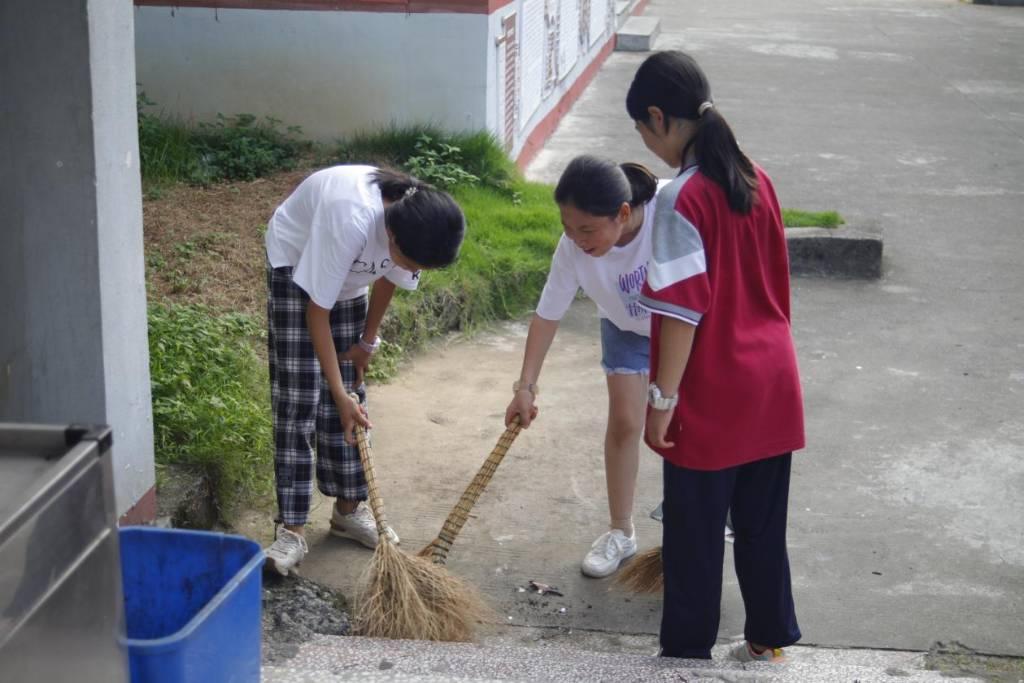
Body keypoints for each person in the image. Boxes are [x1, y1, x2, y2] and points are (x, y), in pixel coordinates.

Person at [626, 51, 805, 661]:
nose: (650, 147)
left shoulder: (682, 198)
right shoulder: (758, 178)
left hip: (715, 389)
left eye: (645, 134)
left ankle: (684, 657)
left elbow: (680, 313)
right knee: (761, 526)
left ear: (659, 117)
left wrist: (660, 400)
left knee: (694, 538)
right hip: (773, 379)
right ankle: (767, 640)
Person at [263, 165, 465, 576]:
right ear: (390, 235)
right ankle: (292, 530)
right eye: (410, 260)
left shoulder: (419, 221)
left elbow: (391, 276)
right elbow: (316, 311)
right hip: (295, 261)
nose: (413, 269)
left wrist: (366, 343)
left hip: (349, 276)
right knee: (301, 398)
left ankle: (348, 511)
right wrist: (334, 393)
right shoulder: (351, 218)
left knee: (354, 404)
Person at [505, 155, 662, 578]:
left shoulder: (670, 213)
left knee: (683, 426)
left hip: (683, 328)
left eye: (587, 229)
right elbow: (547, 314)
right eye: (568, 227)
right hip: (625, 327)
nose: (576, 239)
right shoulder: (573, 249)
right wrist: (526, 386)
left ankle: (698, 525)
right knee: (627, 421)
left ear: (623, 213)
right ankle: (621, 532)